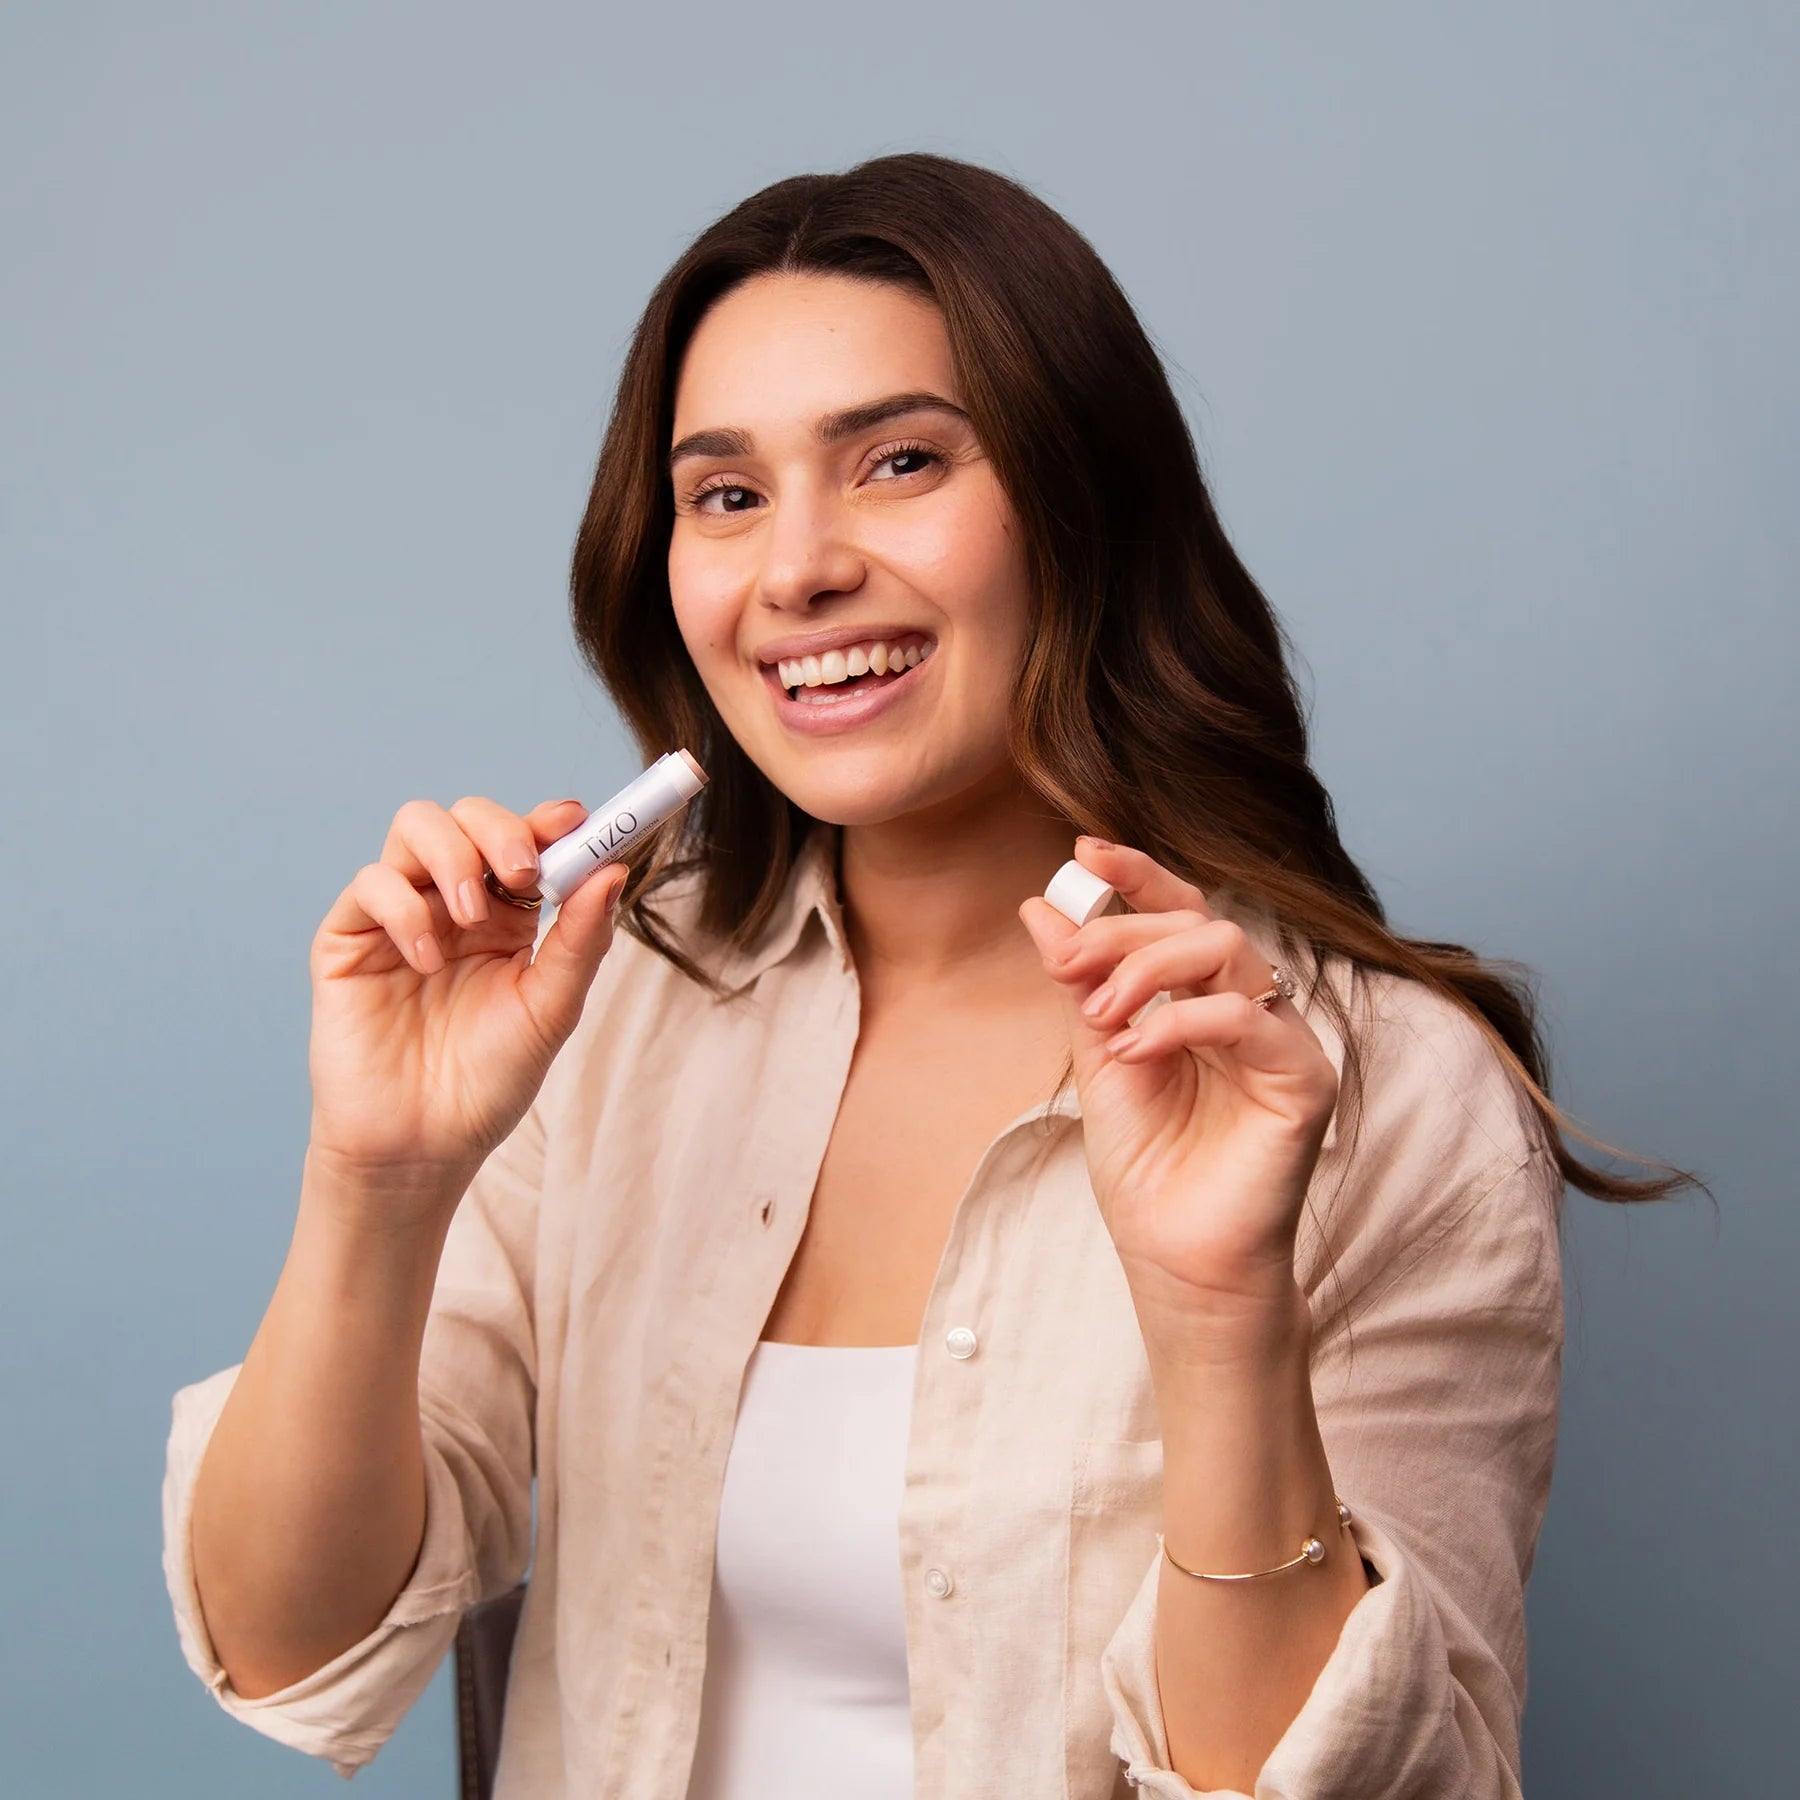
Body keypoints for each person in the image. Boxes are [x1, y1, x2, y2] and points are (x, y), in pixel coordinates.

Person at [160, 152, 1696, 1798]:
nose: (797, 568)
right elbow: (289, 1650)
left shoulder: (1380, 1086)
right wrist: (377, 1183)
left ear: (1080, 505)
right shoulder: (604, 1015)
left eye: (899, 462)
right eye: (726, 494)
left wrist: (1221, 1315)